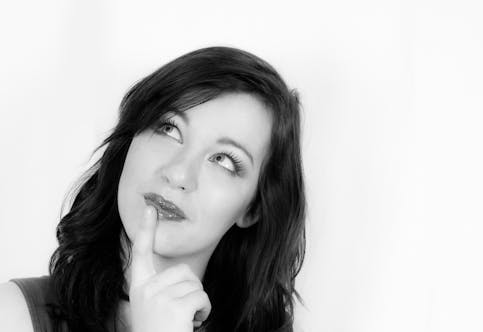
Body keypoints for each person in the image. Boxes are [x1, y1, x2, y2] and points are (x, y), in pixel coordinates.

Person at [0, 46, 306, 332]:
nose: (177, 173)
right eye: (169, 129)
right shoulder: (14, 314)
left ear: (253, 208)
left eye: (224, 161)